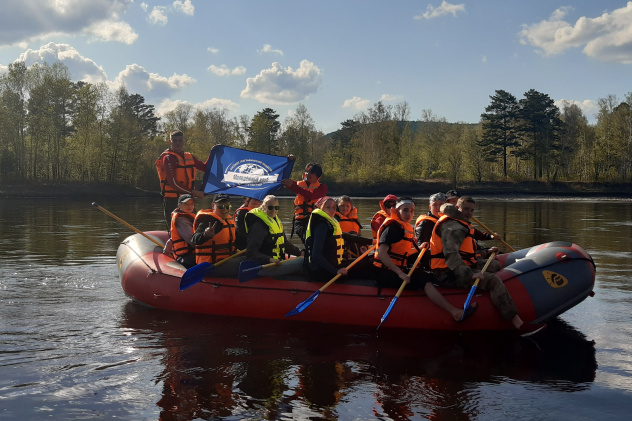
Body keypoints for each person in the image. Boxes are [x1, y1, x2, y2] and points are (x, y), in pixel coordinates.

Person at [429, 197, 527, 330]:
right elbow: (451, 254)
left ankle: (497, 295)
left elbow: (467, 250)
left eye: (472, 210)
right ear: (457, 208)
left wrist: (486, 252)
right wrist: (469, 275)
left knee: (495, 265)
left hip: (462, 265)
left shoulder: (461, 223)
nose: (469, 213)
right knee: (493, 280)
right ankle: (515, 321)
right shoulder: (453, 227)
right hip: (447, 272)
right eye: (466, 209)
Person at [374, 197, 476, 322]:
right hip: (385, 273)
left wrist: (418, 249)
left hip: (395, 269)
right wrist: (399, 273)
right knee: (424, 281)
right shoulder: (392, 228)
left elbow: (399, 252)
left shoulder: (402, 227)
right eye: (405, 210)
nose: (409, 214)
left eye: (411, 211)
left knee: (430, 276)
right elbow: (382, 254)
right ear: (397, 210)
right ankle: (455, 312)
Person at [304, 196, 372, 282]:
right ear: (320, 208)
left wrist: (371, 241)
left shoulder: (330, 224)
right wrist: (336, 271)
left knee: (368, 262)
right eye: (328, 207)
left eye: (333, 208)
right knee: (368, 266)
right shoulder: (322, 226)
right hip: (323, 271)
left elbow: (346, 236)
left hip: (334, 263)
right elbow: (316, 255)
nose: (332, 210)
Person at [155, 130, 207, 228]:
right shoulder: (168, 158)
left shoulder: (189, 156)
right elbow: (173, 183)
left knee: (194, 227)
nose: (177, 143)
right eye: (175, 141)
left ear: (183, 141)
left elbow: (205, 168)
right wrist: (194, 192)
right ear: (170, 142)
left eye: (180, 141)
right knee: (174, 228)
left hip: (188, 199)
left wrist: (215, 153)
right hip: (172, 200)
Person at [191, 193, 242, 276]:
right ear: (213, 206)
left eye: (227, 206)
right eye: (220, 207)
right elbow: (194, 240)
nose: (224, 209)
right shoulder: (207, 220)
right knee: (244, 263)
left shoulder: (229, 220)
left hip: (226, 260)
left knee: (250, 259)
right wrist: (205, 235)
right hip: (211, 265)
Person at [244, 195, 302, 265]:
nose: (274, 210)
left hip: (278, 261)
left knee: (304, 260)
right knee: (301, 263)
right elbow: (251, 253)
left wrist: (299, 253)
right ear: (263, 207)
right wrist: (269, 259)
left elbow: (285, 244)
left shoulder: (276, 221)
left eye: (276, 207)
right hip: (265, 264)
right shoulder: (258, 226)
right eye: (270, 207)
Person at [282, 163, 328, 244]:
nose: (309, 174)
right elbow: (284, 179)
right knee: (307, 239)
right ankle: (309, 252)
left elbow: (311, 196)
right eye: (309, 172)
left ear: (318, 177)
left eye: (313, 173)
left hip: (316, 220)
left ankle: (312, 253)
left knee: (318, 240)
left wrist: (293, 186)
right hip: (300, 221)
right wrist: (290, 162)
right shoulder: (298, 185)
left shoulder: (322, 188)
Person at [414, 192, 446, 268]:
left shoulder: (447, 221)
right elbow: (422, 250)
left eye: (441, 204)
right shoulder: (425, 224)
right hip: (434, 264)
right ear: (430, 207)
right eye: (434, 205)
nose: (438, 208)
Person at [169, 194, 197, 268]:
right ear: (179, 205)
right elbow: (192, 241)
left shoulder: (189, 216)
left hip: (191, 253)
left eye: (191, 204)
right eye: (186, 204)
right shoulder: (181, 220)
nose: (189, 206)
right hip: (185, 256)